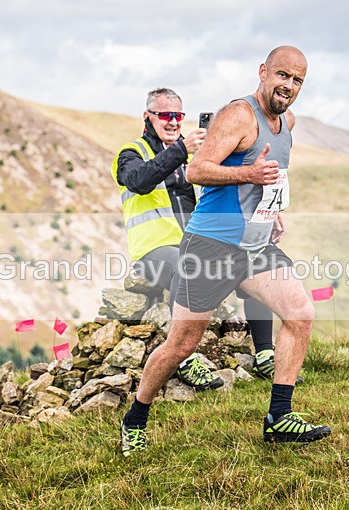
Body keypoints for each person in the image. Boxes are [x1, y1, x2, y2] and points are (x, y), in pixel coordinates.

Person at [120, 46, 331, 456]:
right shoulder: (238, 114)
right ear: (263, 72)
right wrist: (247, 173)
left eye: (297, 80)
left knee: (300, 312)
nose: (288, 86)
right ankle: (136, 417)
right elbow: (198, 169)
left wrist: (272, 208)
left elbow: (271, 175)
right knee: (181, 345)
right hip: (211, 247)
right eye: (282, 76)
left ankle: (279, 418)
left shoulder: (288, 121)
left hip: (255, 245)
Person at [111, 87, 277, 392]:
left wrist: (267, 212)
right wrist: (181, 150)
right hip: (154, 250)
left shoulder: (193, 158)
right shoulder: (132, 153)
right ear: (147, 117)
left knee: (253, 262)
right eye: (165, 115)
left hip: (198, 243)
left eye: (178, 115)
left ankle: (265, 352)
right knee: (186, 267)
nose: (173, 121)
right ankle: (185, 360)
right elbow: (139, 181)